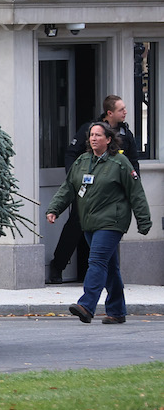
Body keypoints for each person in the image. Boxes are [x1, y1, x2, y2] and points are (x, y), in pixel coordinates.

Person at [46, 121, 152, 324]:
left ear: (108, 139)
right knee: (110, 267)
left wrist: (143, 221)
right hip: (89, 222)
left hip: (112, 221)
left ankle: (87, 305)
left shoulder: (120, 163)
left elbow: (136, 192)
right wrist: (54, 209)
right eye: (91, 135)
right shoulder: (82, 162)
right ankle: (117, 311)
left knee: (96, 261)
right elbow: (68, 188)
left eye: (98, 135)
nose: (93, 139)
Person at [50, 95, 141, 284]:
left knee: (108, 230)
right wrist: (75, 180)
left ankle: (104, 276)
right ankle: (58, 266)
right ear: (110, 113)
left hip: (112, 194)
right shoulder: (91, 130)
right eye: (121, 109)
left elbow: (132, 162)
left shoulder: (125, 133)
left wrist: (134, 183)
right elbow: (71, 155)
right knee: (75, 227)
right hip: (87, 190)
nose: (125, 112)